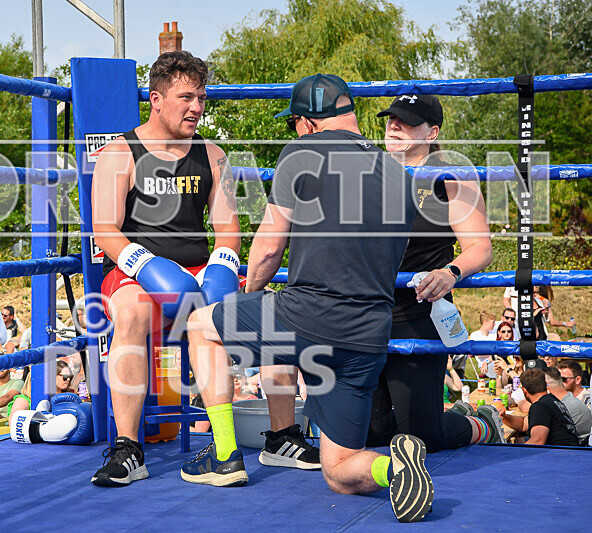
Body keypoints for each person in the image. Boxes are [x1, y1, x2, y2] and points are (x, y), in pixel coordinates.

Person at [184, 74, 432, 523]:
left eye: (294, 124)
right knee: (338, 470)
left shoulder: (300, 153)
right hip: (368, 336)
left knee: (202, 325)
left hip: (310, 315)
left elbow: (266, 249)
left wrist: (249, 297)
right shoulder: (400, 176)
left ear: (307, 122)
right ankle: (393, 468)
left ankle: (223, 456)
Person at [88, 51, 241, 487]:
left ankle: (237, 446)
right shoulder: (120, 152)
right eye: (186, 97)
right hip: (136, 272)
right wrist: (146, 262)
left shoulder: (213, 154)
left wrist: (223, 263)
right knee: (133, 312)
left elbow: (228, 226)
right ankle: (127, 449)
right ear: (156, 99)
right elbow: (105, 230)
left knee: (245, 311)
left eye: (201, 97)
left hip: (197, 269)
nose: (197, 107)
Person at [364, 92, 498, 455]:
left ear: (431, 131)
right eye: (391, 118)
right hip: (367, 308)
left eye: (406, 121)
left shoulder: (451, 174)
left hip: (419, 308)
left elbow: (481, 247)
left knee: (424, 437)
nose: (394, 126)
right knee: (367, 435)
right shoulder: (369, 171)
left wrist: (450, 271)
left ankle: (482, 422)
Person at [497, 368, 580, 446]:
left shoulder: (540, 407)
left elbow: (537, 441)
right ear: (545, 385)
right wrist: (504, 417)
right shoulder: (551, 400)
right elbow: (523, 424)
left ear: (524, 391)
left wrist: (514, 456)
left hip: (561, 456)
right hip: (570, 453)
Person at [544, 367, 591, 442]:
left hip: (574, 449)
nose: (560, 382)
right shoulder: (567, 398)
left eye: (563, 379)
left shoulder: (569, 404)